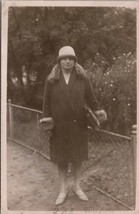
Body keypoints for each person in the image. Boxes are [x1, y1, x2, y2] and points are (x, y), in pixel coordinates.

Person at [42, 46, 107, 206]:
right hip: (59, 126)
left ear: (75, 60)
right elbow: (46, 103)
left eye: (71, 58)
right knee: (61, 159)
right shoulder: (51, 79)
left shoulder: (82, 77)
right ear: (59, 61)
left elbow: (91, 98)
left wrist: (98, 110)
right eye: (64, 58)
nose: (68, 61)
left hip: (79, 125)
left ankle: (77, 186)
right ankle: (63, 189)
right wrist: (46, 119)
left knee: (78, 158)